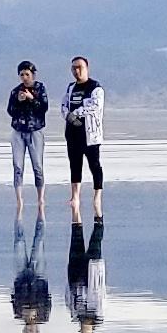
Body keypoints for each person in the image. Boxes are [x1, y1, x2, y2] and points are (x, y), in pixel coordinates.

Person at [60, 55, 108, 219]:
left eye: (79, 67)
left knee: (94, 165)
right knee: (75, 164)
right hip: (73, 133)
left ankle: (97, 196)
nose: (76, 71)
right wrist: (68, 116)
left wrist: (77, 113)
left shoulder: (95, 88)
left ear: (87, 68)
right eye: (73, 68)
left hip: (90, 134)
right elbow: (64, 105)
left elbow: (95, 107)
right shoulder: (71, 87)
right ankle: (75, 196)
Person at [4, 61, 50, 219]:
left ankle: (40, 198)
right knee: (18, 166)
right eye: (22, 75)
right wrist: (19, 100)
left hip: (35, 131)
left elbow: (43, 108)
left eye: (27, 74)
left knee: (37, 166)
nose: (24, 78)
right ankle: (19, 199)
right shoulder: (15, 91)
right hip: (18, 132)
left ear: (33, 75)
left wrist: (31, 98)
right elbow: (10, 111)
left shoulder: (40, 89)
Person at [11, 222, 53, 333]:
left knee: (19, 242)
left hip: (21, 276)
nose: (30, 331)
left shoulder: (18, 314)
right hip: (39, 277)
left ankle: (19, 211)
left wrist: (25, 304)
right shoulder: (43, 316)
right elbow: (47, 298)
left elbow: (14, 297)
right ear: (38, 332)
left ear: (23, 332)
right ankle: (41, 209)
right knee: (39, 241)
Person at [66, 219, 105, 333]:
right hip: (92, 272)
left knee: (76, 235)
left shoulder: (75, 314)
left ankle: (76, 207)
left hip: (76, 272)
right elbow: (100, 292)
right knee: (96, 236)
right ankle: (98, 213)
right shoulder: (98, 315)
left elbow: (69, 293)